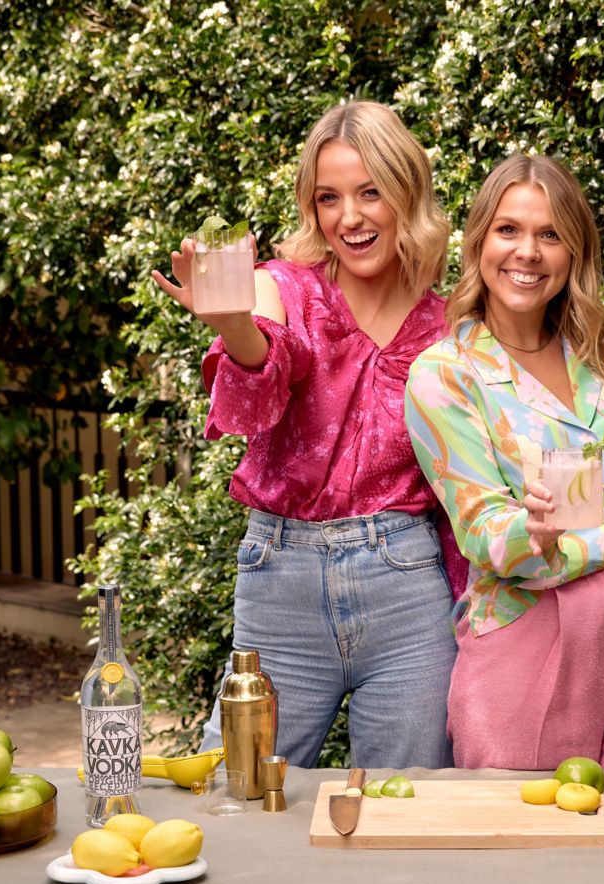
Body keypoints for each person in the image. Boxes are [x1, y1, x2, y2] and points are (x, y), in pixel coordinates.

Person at [152, 101, 461, 769]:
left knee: (405, 816)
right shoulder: (280, 288)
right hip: (281, 584)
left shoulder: (450, 327)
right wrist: (232, 325)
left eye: (370, 192)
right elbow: (261, 380)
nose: (348, 217)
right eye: (329, 197)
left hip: (408, 592)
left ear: (407, 192)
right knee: (236, 792)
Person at [403, 154, 604, 769]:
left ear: (573, 253)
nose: (527, 251)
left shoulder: (598, 348)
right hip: (528, 638)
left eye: (550, 234)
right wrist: (530, 533)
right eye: (508, 230)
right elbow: (481, 530)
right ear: (480, 240)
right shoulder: (445, 376)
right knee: (525, 849)